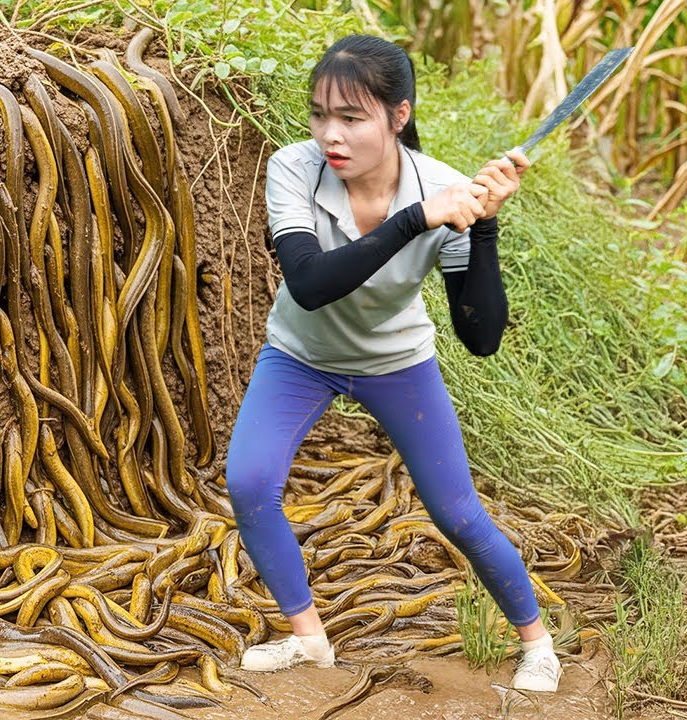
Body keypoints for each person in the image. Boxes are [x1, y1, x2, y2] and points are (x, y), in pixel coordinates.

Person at [226, 34, 561, 693]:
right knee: (249, 481)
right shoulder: (295, 168)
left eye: (351, 117)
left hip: (396, 361)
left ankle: (538, 645)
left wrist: (483, 226)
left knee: (456, 512)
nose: (330, 133)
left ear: (398, 115)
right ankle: (309, 641)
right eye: (320, 114)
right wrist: (415, 219)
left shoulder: (444, 188)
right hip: (301, 355)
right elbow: (310, 285)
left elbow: (481, 336)